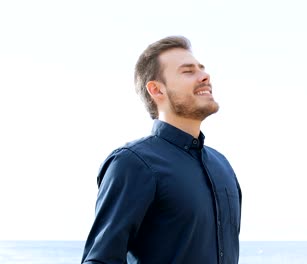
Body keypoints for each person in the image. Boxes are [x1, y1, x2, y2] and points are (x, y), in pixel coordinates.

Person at [81, 36, 242, 264]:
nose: (205, 76)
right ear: (157, 90)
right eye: (188, 71)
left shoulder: (222, 165)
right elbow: (101, 260)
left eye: (202, 69)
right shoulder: (133, 163)